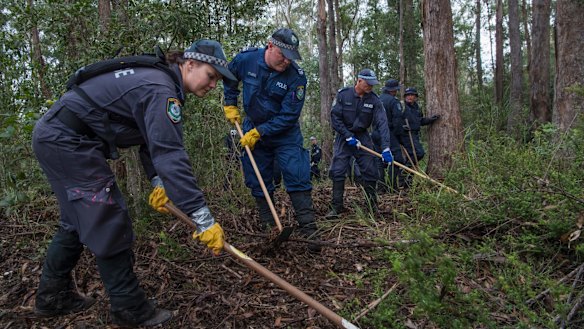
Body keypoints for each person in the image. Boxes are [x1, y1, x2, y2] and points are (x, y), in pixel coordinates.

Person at [31, 39, 235, 327]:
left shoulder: (160, 81)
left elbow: (150, 143)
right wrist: (203, 217)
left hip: (56, 136)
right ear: (190, 64)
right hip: (68, 141)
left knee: (76, 221)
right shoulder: (162, 90)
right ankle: (128, 307)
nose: (213, 85)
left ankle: (52, 297)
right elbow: (170, 154)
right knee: (108, 216)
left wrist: (158, 181)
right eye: (211, 76)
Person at [222, 28, 320, 252]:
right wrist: (230, 102)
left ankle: (310, 233)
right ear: (270, 46)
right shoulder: (246, 60)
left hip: (284, 133)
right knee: (257, 178)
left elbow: (289, 116)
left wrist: (261, 132)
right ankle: (270, 230)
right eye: (282, 55)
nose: (286, 61)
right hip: (252, 128)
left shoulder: (297, 77)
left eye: (290, 57)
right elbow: (229, 77)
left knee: (297, 174)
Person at [327, 69, 393, 217]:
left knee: (370, 170)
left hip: (363, 136)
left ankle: (372, 206)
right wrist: (348, 136)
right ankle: (336, 207)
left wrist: (386, 147)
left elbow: (382, 124)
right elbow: (335, 118)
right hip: (344, 137)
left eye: (372, 84)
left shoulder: (374, 100)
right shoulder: (343, 95)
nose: (370, 87)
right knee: (338, 170)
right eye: (368, 83)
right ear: (359, 80)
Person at [398, 87, 440, 185]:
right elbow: (395, 119)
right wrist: (401, 127)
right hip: (406, 135)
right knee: (419, 153)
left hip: (414, 134)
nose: (409, 97)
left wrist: (430, 120)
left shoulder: (416, 107)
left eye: (412, 95)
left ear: (416, 97)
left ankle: (406, 183)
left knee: (412, 158)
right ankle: (402, 174)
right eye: (408, 95)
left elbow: (420, 121)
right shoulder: (401, 106)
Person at [372, 79, 405, 192]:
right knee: (397, 159)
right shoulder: (393, 102)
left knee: (379, 158)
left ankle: (381, 187)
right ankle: (391, 186)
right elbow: (397, 121)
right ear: (393, 90)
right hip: (388, 133)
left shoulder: (377, 99)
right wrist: (399, 136)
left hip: (375, 133)